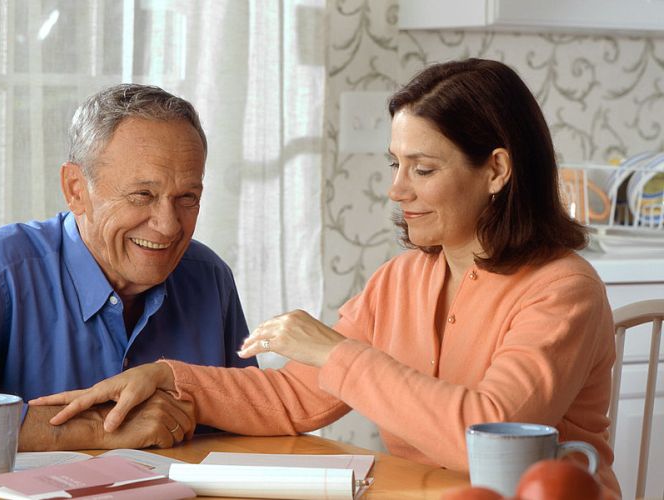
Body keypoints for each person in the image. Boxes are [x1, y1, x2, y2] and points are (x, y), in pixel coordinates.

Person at [33, 59, 622, 496]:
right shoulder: (403, 278)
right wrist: (166, 375)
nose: (397, 189)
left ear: (495, 170)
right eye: (396, 165)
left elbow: (486, 438)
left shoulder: (562, 289)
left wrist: (335, 351)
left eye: (423, 168)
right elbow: (294, 398)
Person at [0, 84, 257, 457]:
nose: (169, 225)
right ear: (75, 190)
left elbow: (258, 413)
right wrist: (95, 427)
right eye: (143, 195)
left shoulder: (210, 278)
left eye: (187, 197)